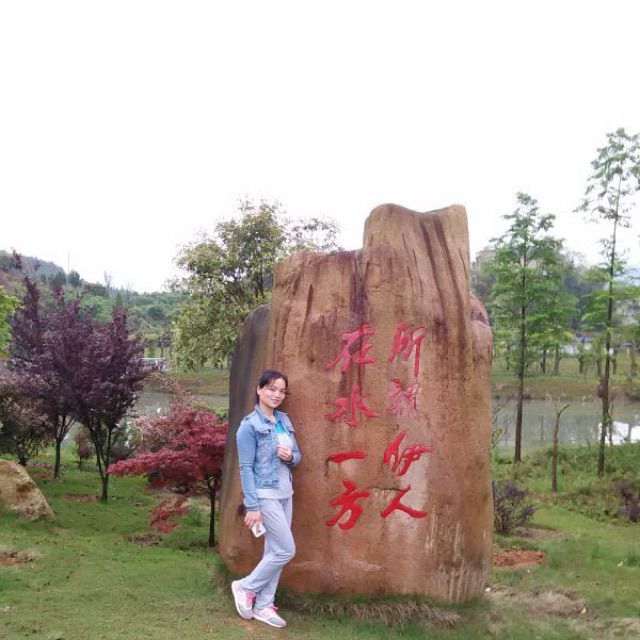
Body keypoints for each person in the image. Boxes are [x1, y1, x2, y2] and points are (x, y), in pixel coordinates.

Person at [231, 369, 301, 628]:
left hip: (286, 493)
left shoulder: (284, 420)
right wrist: (252, 505)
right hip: (265, 494)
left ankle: (263, 605)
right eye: (271, 389)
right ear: (259, 390)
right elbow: (245, 468)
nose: (277, 395)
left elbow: (297, 456)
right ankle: (246, 587)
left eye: (282, 391)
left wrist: (290, 457)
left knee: (274, 551)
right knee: (286, 550)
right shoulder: (249, 426)